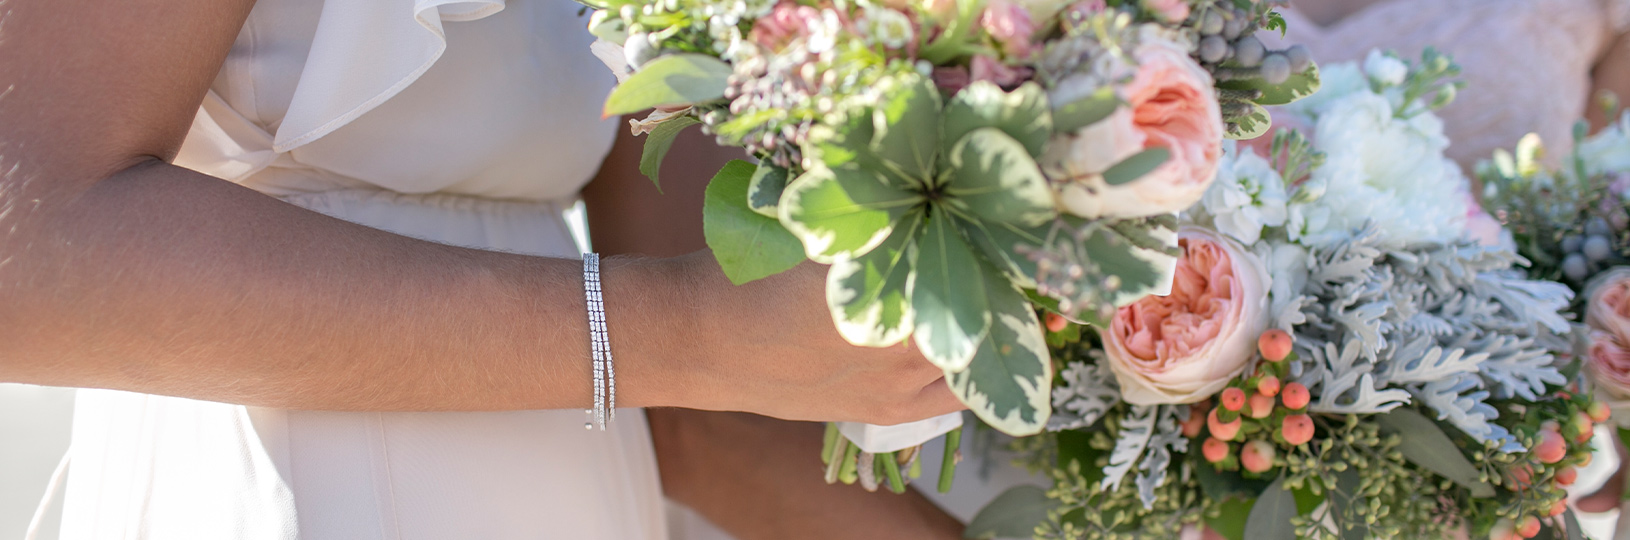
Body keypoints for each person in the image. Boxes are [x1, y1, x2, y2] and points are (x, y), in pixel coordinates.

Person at [0, 0, 969, 538]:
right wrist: (675, 334)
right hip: (304, 493)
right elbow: (24, 258)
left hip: (573, 486)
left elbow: (704, 397)